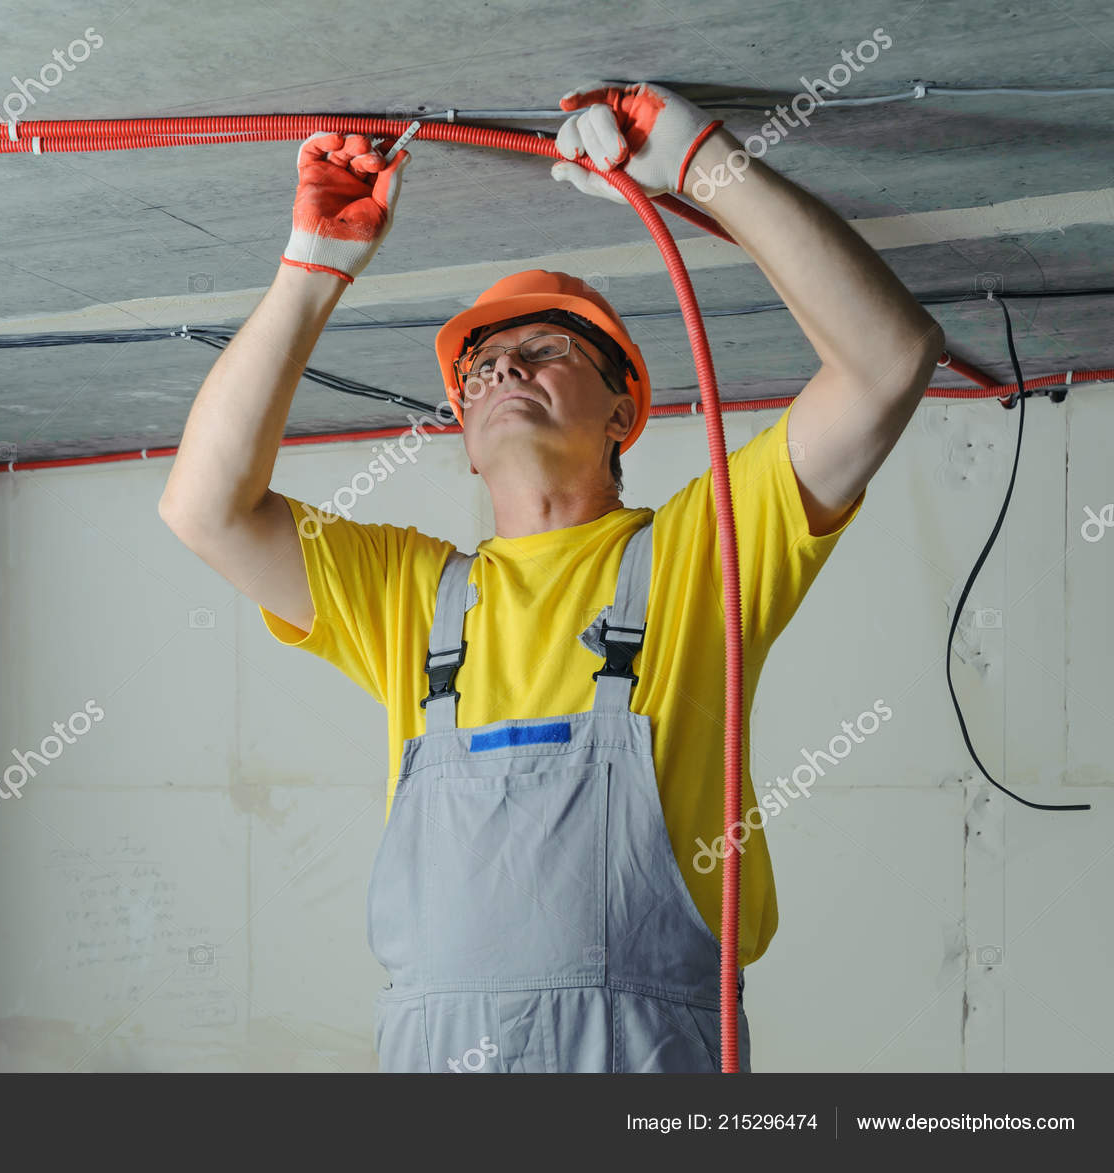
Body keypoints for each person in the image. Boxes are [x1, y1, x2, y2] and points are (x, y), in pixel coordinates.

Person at [159, 81, 943, 1072]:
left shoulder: (700, 555)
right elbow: (203, 509)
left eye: (543, 352)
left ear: (623, 412)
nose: (501, 374)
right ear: (465, 443)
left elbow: (888, 358)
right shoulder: (412, 597)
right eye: (479, 371)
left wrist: (705, 166)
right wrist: (311, 271)